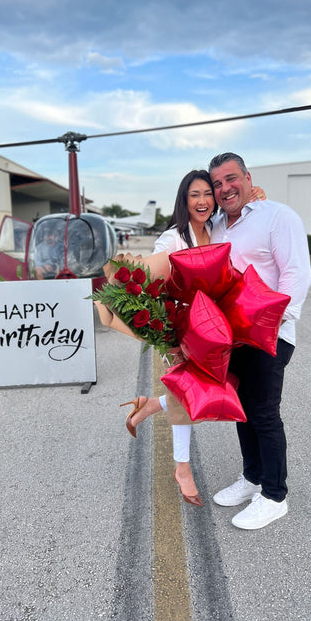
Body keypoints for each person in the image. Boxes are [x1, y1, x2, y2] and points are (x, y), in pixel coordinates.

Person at [121, 170, 266, 507]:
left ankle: (147, 406)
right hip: (182, 330)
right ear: (183, 200)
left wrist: (256, 197)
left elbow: (240, 219)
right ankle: (182, 468)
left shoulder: (214, 231)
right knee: (189, 395)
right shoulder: (173, 238)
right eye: (194, 195)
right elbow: (146, 283)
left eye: (207, 195)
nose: (202, 202)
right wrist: (165, 332)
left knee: (199, 389)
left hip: (211, 329)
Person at [208, 152, 311, 530]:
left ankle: (274, 495)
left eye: (231, 179)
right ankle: (252, 477)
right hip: (230, 339)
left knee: (265, 413)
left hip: (268, 334)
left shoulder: (277, 216)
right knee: (242, 410)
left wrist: (270, 321)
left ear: (248, 178)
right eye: (217, 183)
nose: (224, 188)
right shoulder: (217, 226)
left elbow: (296, 274)